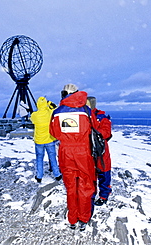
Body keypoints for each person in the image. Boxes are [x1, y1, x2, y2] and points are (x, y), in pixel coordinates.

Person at [50, 84, 96, 231]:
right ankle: (83, 219)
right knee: (85, 186)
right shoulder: (86, 110)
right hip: (83, 152)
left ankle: (72, 219)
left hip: (66, 153)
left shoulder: (57, 112)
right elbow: (94, 128)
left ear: (63, 94)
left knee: (70, 187)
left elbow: (54, 133)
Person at [86, 96, 112, 206]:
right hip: (87, 150)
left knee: (103, 172)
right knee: (89, 174)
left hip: (100, 151)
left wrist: (94, 132)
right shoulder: (84, 116)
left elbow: (107, 132)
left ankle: (104, 195)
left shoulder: (101, 117)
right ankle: (90, 194)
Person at [30, 96, 62, 183]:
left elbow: (31, 120)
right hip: (49, 140)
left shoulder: (34, 115)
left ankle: (39, 176)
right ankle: (57, 175)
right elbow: (55, 108)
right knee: (52, 158)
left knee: (39, 158)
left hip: (39, 141)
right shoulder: (49, 113)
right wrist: (48, 104)